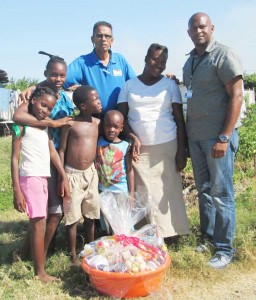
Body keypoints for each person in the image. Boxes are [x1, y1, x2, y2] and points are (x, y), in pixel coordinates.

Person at [183, 12, 243, 269]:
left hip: (217, 139)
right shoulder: (191, 61)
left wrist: (224, 137)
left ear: (212, 28)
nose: (199, 31)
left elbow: (237, 97)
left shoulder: (223, 55)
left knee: (221, 193)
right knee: (204, 191)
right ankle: (208, 238)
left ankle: (224, 248)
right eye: (194, 28)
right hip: (196, 138)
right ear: (189, 32)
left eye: (203, 26)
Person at [117, 43, 190, 242]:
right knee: (143, 193)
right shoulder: (129, 86)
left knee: (167, 191)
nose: (158, 64)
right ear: (146, 58)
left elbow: (178, 118)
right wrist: (132, 136)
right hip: (140, 149)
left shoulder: (169, 85)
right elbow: (121, 118)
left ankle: (170, 234)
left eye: (163, 62)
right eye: (155, 59)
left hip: (167, 145)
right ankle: (146, 234)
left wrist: (182, 150)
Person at [12, 52, 74, 258]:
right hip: (36, 160)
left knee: (54, 212)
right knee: (42, 214)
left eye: (62, 75)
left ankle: (41, 252)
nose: (58, 79)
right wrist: (51, 123)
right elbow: (18, 116)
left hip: (56, 156)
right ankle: (31, 254)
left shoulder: (64, 98)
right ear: (46, 74)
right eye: (54, 75)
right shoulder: (34, 96)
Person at [11, 87, 70, 283]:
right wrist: (16, 190)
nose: (45, 110)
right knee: (39, 224)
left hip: (43, 177)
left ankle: (22, 255)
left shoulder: (44, 126)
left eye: (50, 108)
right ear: (33, 100)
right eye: (42, 104)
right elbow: (14, 159)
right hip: (30, 177)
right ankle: (40, 273)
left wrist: (63, 175)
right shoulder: (22, 125)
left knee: (37, 221)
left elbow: (52, 152)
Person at [58, 85, 102, 265]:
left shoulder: (98, 123)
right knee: (72, 218)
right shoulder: (70, 124)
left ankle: (90, 249)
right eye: (95, 99)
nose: (99, 102)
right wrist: (62, 178)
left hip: (91, 174)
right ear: (83, 106)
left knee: (91, 214)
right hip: (72, 175)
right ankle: (73, 255)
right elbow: (61, 150)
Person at [63, 21, 136, 115]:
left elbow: (135, 85)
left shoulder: (120, 60)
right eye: (99, 36)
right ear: (92, 39)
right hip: (94, 122)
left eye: (107, 36)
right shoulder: (82, 63)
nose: (103, 39)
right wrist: (40, 89)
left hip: (118, 122)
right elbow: (59, 79)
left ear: (112, 40)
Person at [95, 110, 135, 233]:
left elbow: (129, 170)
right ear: (103, 126)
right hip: (103, 191)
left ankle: (125, 245)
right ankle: (109, 245)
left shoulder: (125, 145)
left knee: (123, 222)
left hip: (120, 191)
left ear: (121, 128)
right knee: (107, 222)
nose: (111, 129)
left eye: (115, 127)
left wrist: (131, 193)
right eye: (108, 126)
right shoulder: (99, 142)